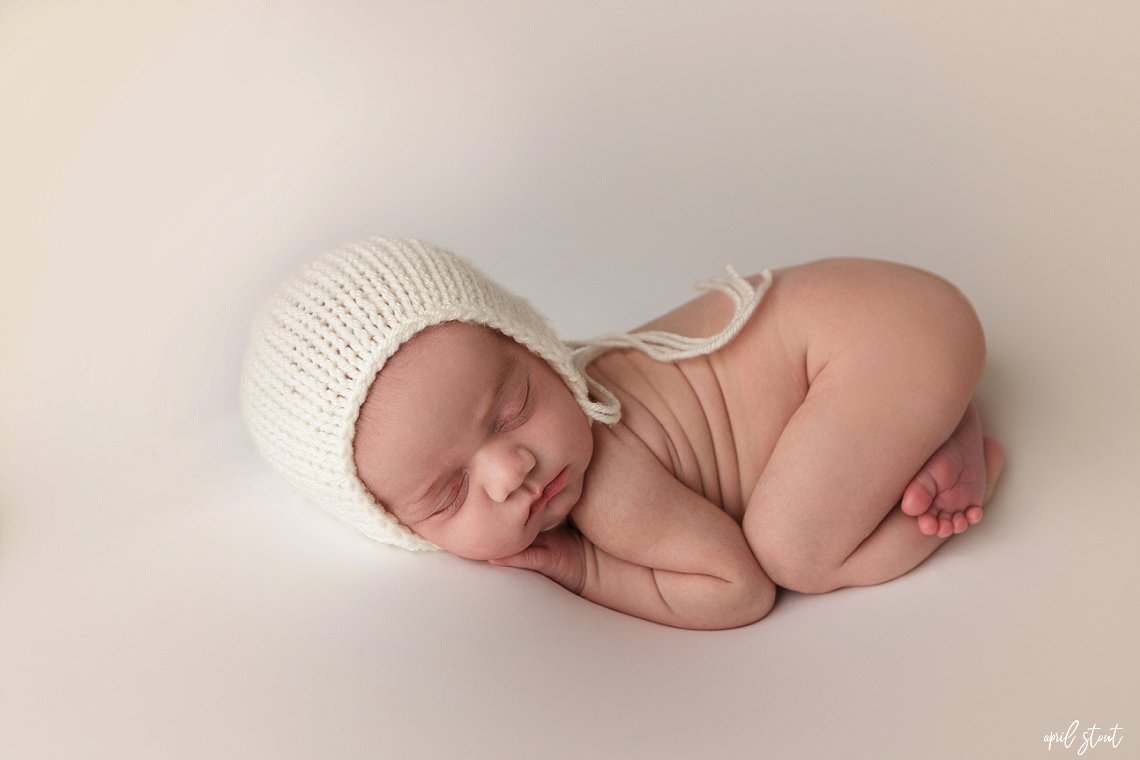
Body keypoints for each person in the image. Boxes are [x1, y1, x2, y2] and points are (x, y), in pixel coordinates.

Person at [240, 237, 1004, 630]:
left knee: (795, 552)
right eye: (449, 492)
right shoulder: (559, 409)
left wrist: (581, 570)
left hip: (881, 346)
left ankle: (963, 461)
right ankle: (925, 412)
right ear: (393, 525)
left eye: (511, 410)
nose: (512, 469)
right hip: (892, 317)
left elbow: (738, 591)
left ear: (534, 346)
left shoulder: (607, 488)